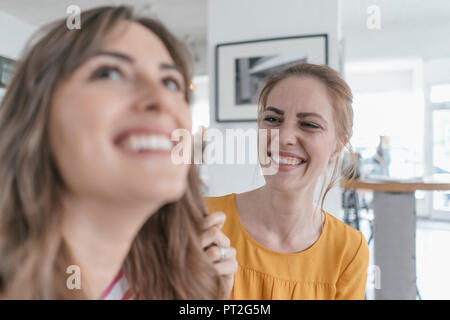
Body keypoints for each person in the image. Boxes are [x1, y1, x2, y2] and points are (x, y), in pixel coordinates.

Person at [0, 5, 237, 299]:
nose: (161, 99)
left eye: (170, 82)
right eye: (110, 73)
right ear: (37, 112)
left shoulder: (166, 279)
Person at [206, 62, 369, 300]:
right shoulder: (203, 219)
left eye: (310, 124)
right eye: (272, 119)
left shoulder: (348, 250)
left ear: (338, 145)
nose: (283, 137)